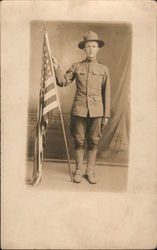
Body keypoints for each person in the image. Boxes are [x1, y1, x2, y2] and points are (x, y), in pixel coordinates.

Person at [52, 30, 110, 184]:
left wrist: (106, 115)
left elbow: (107, 93)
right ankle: (79, 170)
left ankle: (90, 171)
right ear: (84, 49)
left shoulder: (104, 70)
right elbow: (62, 82)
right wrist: (57, 67)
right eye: (88, 46)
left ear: (98, 49)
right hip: (79, 110)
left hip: (97, 111)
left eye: (94, 46)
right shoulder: (77, 67)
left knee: (93, 142)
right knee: (79, 141)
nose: (91, 49)